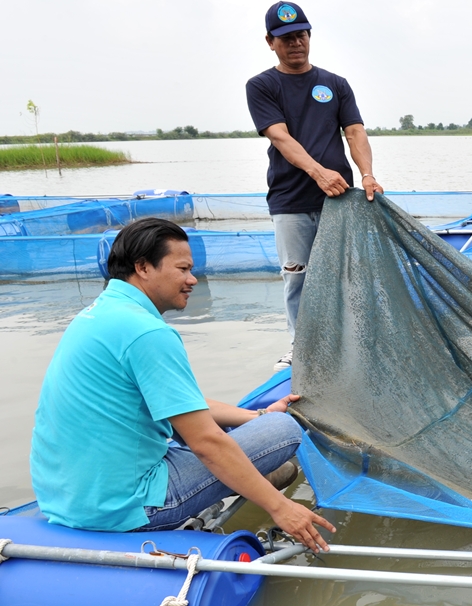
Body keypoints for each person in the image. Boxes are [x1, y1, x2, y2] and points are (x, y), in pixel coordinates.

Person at [29, 218, 336, 551]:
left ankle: (249, 476)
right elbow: (205, 442)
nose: (193, 279)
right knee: (282, 429)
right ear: (143, 267)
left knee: (239, 425)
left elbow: (181, 405)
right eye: (183, 268)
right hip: (123, 507)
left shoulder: (97, 314)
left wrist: (255, 417)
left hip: (63, 499)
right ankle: (247, 483)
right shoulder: (148, 333)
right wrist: (281, 508)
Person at [245, 0, 384, 370]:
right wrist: (318, 172)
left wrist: (367, 173)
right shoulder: (262, 85)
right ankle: (301, 347)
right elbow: (280, 137)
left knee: (347, 275)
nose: (295, 43)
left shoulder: (334, 84)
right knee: (297, 277)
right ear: (270, 42)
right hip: (290, 200)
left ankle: (352, 344)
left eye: (301, 35)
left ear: (309, 36)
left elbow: (354, 131)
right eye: (286, 38)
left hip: (339, 201)